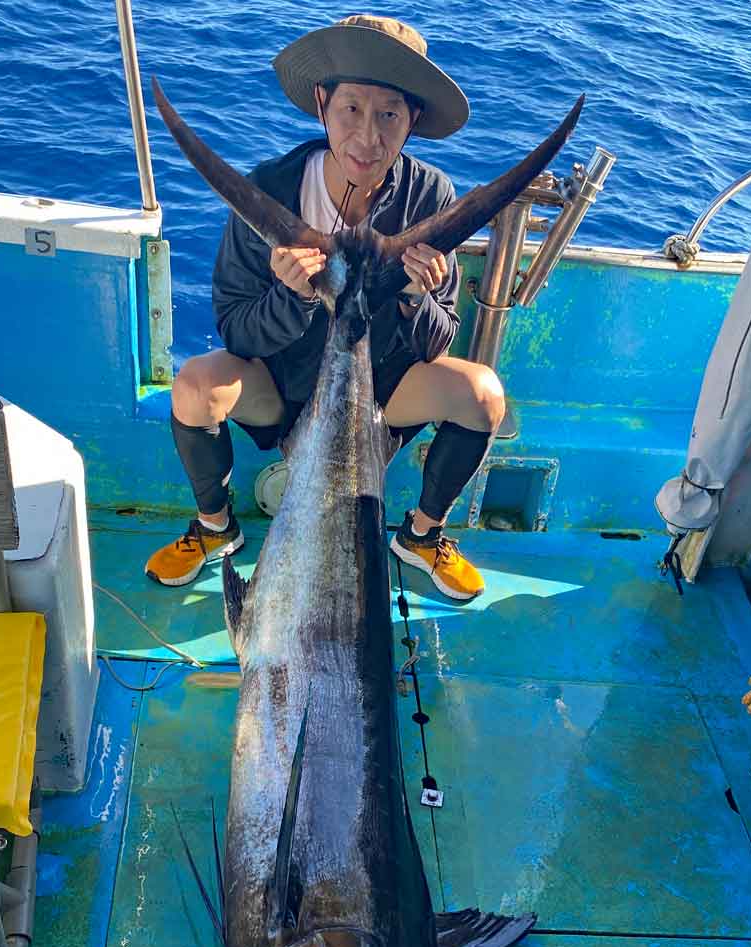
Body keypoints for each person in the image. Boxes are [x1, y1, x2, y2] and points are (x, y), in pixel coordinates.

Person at [145, 14, 506, 602]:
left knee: (482, 394)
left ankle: (420, 536)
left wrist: (418, 299)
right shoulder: (270, 187)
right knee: (194, 387)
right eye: (352, 110)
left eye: (389, 114)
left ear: (413, 119)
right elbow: (235, 326)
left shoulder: (431, 197)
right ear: (322, 104)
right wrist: (292, 298)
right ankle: (215, 528)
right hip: (282, 391)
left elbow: (436, 343)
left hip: (378, 399)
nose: (369, 137)